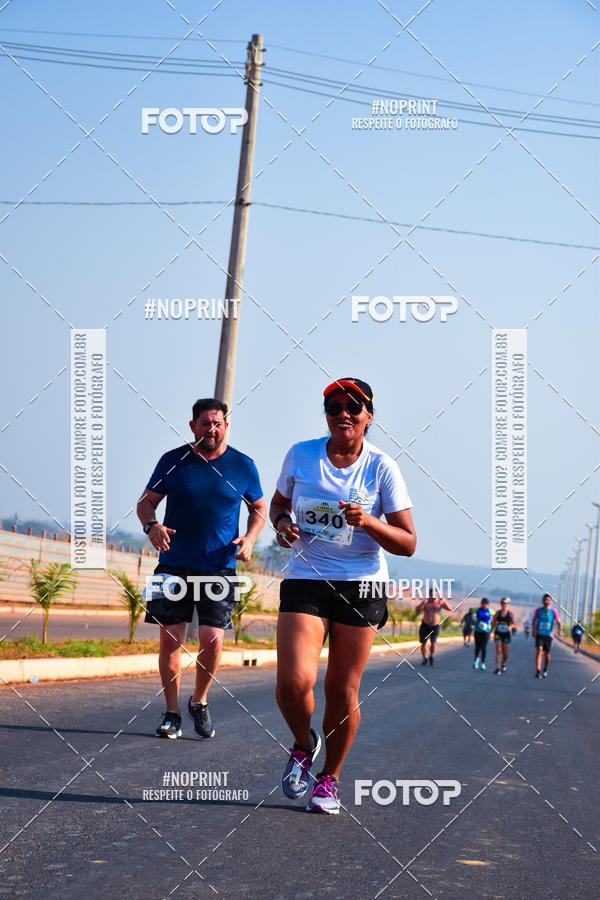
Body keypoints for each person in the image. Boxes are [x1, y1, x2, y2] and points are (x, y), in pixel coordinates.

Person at [270, 378, 416, 814]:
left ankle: (329, 779)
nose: (343, 414)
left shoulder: (381, 467)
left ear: (369, 416)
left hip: (362, 585)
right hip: (306, 577)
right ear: (326, 414)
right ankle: (302, 744)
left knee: (341, 689)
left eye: (354, 407)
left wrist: (369, 522)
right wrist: (281, 525)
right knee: (294, 682)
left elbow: (408, 542)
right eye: (334, 407)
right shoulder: (301, 454)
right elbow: (278, 505)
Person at [137, 398, 266, 739]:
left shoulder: (243, 465)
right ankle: (171, 712)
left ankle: (199, 701)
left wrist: (250, 538)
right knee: (169, 641)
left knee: (212, 641)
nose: (212, 429)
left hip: (219, 568)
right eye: (206, 423)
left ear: (226, 426)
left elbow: (259, 507)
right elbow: (146, 501)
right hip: (173, 565)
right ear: (193, 425)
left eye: (218, 423)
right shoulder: (173, 460)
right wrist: (151, 526)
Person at [416, 590, 452, 665]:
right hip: (425, 625)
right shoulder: (426, 602)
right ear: (429, 594)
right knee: (423, 643)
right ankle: (424, 658)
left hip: (435, 626)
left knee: (433, 643)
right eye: (432, 594)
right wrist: (422, 603)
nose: (433, 596)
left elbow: (449, 609)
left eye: (435, 594)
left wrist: (444, 601)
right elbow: (417, 610)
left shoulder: (440, 602)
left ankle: (431, 656)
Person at [532, 593, 562, 678]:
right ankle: (538, 671)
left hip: (549, 635)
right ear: (542, 600)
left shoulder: (553, 611)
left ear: (550, 601)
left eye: (548, 600)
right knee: (539, 650)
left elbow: (558, 622)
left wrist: (560, 630)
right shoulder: (538, 610)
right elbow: (534, 620)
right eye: (545, 599)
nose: (546, 601)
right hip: (539, 634)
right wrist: (533, 629)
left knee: (547, 656)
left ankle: (545, 669)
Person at [490, 597, 516, 674]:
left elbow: (513, 623)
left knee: (505, 653)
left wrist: (510, 627)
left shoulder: (510, 613)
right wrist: (490, 632)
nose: (504, 605)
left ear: (507, 604)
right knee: (498, 651)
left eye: (505, 603)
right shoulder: (498, 613)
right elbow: (493, 622)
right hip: (498, 633)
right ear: (501, 604)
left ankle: (503, 663)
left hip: (506, 634)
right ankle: (497, 668)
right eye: (502, 603)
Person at [472, 598, 492, 670]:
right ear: (481, 603)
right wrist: (472, 621)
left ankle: (483, 663)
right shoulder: (477, 610)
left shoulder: (490, 611)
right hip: (477, 631)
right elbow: (470, 611)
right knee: (477, 647)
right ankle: (475, 660)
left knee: (484, 647)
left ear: (488, 604)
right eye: (483, 602)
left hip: (486, 632)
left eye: (486, 603)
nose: (484, 604)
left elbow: (496, 615)